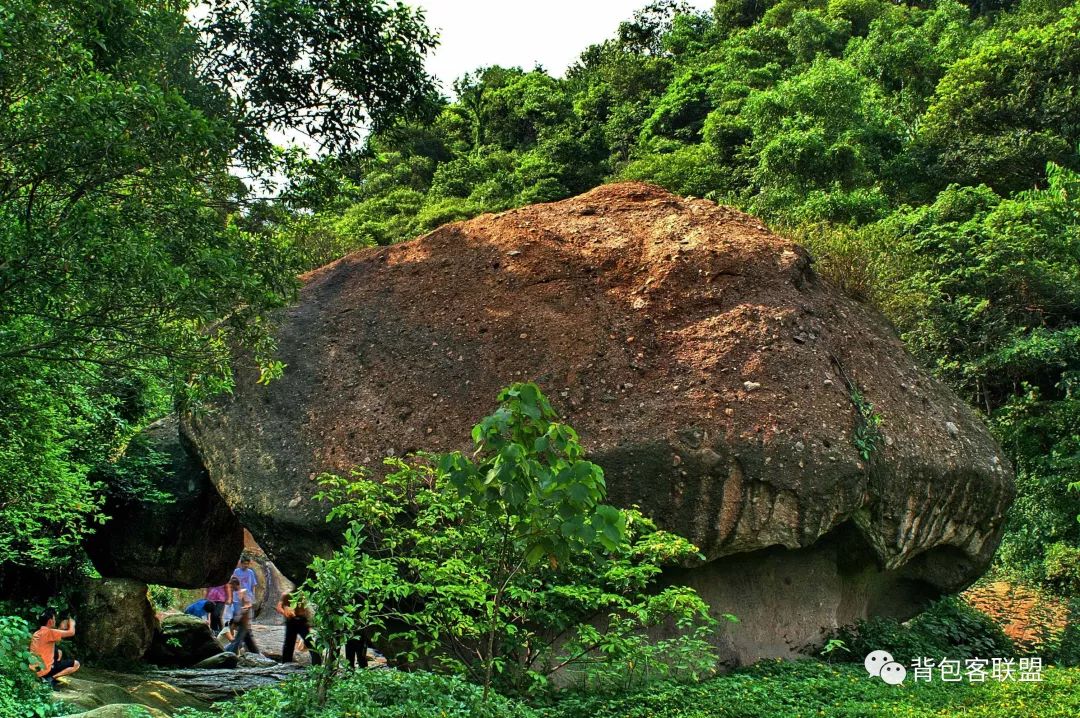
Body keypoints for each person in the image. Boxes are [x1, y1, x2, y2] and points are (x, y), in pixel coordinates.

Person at [29, 609, 79, 687]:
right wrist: (72, 623)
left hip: (34, 669)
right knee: (76, 664)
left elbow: (53, 637)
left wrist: (61, 628)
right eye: (54, 619)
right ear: (50, 621)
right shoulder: (49, 632)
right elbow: (71, 632)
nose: (55, 621)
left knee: (58, 651)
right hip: (45, 671)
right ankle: (51, 678)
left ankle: (47, 676)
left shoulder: (37, 633)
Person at [275, 592, 321, 665]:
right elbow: (279, 607)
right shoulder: (286, 595)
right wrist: (286, 612)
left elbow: (306, 610)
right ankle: (286, 664)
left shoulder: (302, 595)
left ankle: (317, 664)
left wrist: (308, 624)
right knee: (289, 644)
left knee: (309, 642)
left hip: (301, 621)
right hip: (291, 620)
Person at [224, 576, 258, 655]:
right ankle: (256, 653)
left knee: (238, 640)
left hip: (244, 618)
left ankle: (228, 653)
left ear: (236, 584)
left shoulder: (243, 592)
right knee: (247, 639)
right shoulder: (235, 593)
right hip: (239, 618)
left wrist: (244, 611)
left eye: (232, 586)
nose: (231, 588)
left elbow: (248, 604)